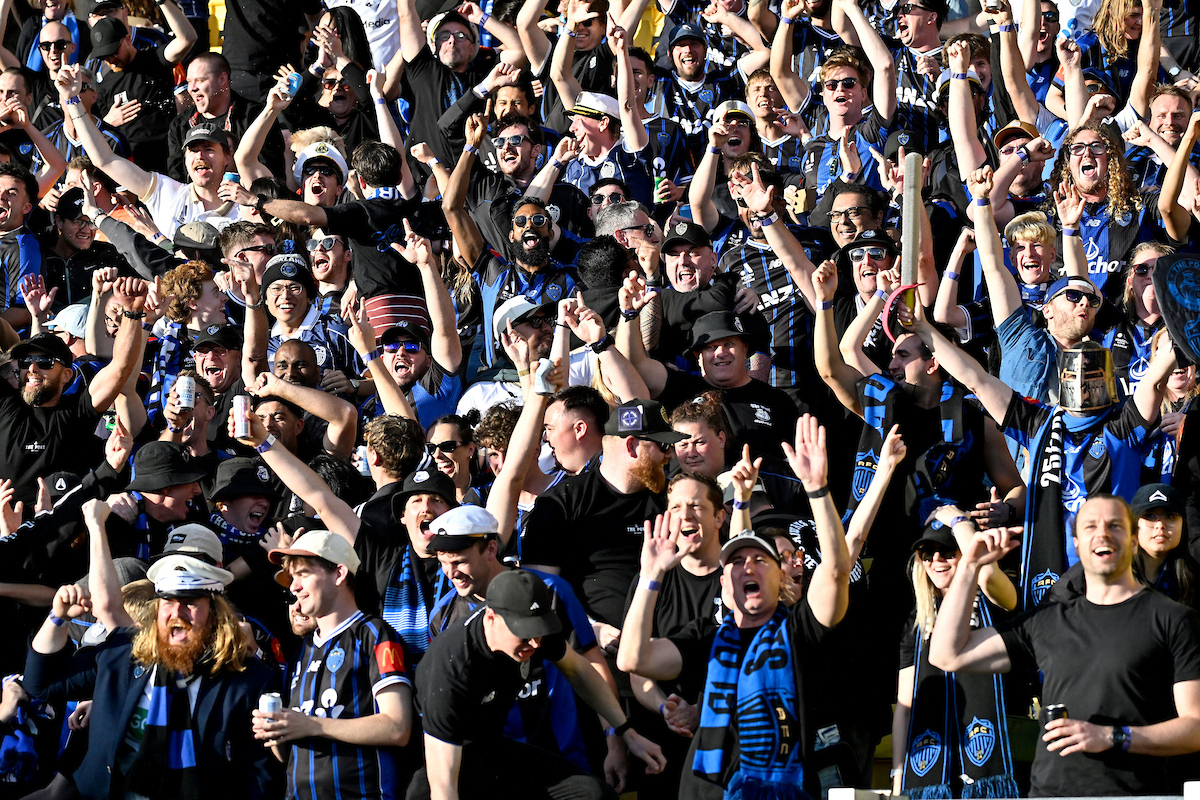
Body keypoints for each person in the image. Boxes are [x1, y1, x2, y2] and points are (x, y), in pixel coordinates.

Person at [617, 414, 852, 798]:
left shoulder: (798, 631)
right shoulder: (708, 637)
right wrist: (651, 576)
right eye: (738, 562)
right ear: (724, 584)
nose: (748, 567)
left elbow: (838, 571)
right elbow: (632, 659)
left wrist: (817, 490)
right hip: (707, 789)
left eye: (760, 560)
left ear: (781, 579)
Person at [928, 495, 1200, 796]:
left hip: (1135, 793)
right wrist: (970, 565)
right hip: (1051, 793)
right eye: (1090, 526)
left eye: (1115, 526)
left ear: (1134, 540)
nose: (1102, 534)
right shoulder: (1046, 620)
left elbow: (1196, 727)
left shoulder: (1174, 619)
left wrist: (1113, 736)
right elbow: (946, 655)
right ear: (1076, 543)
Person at [23, 534, 280, 800]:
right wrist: (57, 618)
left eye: (191, 603)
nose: (176, 613)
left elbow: (260, 780)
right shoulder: (123, 654)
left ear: (215, 613)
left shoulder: (249, 682)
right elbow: (41, 684)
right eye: (168, 602)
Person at [409, 568, 667, 800]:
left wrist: (626, 732)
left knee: (595, 794)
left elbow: (580, 672)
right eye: (524, 633)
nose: (534, 644)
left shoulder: (534, 631)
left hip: (494, 748)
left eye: (538, 632)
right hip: (449, 759)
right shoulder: (451, 668)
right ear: (491, 618)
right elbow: (443, 787)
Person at [255, 530, 413, 800]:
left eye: (303, 574)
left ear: (339, 574)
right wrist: (276, 731)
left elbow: (397, 728)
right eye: (292, 578)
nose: (293, 587)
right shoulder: (300, 650)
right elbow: (286, 755)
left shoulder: (374, 634)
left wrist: (313, 725)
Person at [892, 509, 1020, 798]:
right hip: (932, 770)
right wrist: (898, 771)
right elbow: (905, 705)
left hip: (990, 763)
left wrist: (959, 521)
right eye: (927, 554)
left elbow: (987, 575)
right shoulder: (917, 621)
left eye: (946, 552)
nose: (935, 561)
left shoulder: (992, 599)